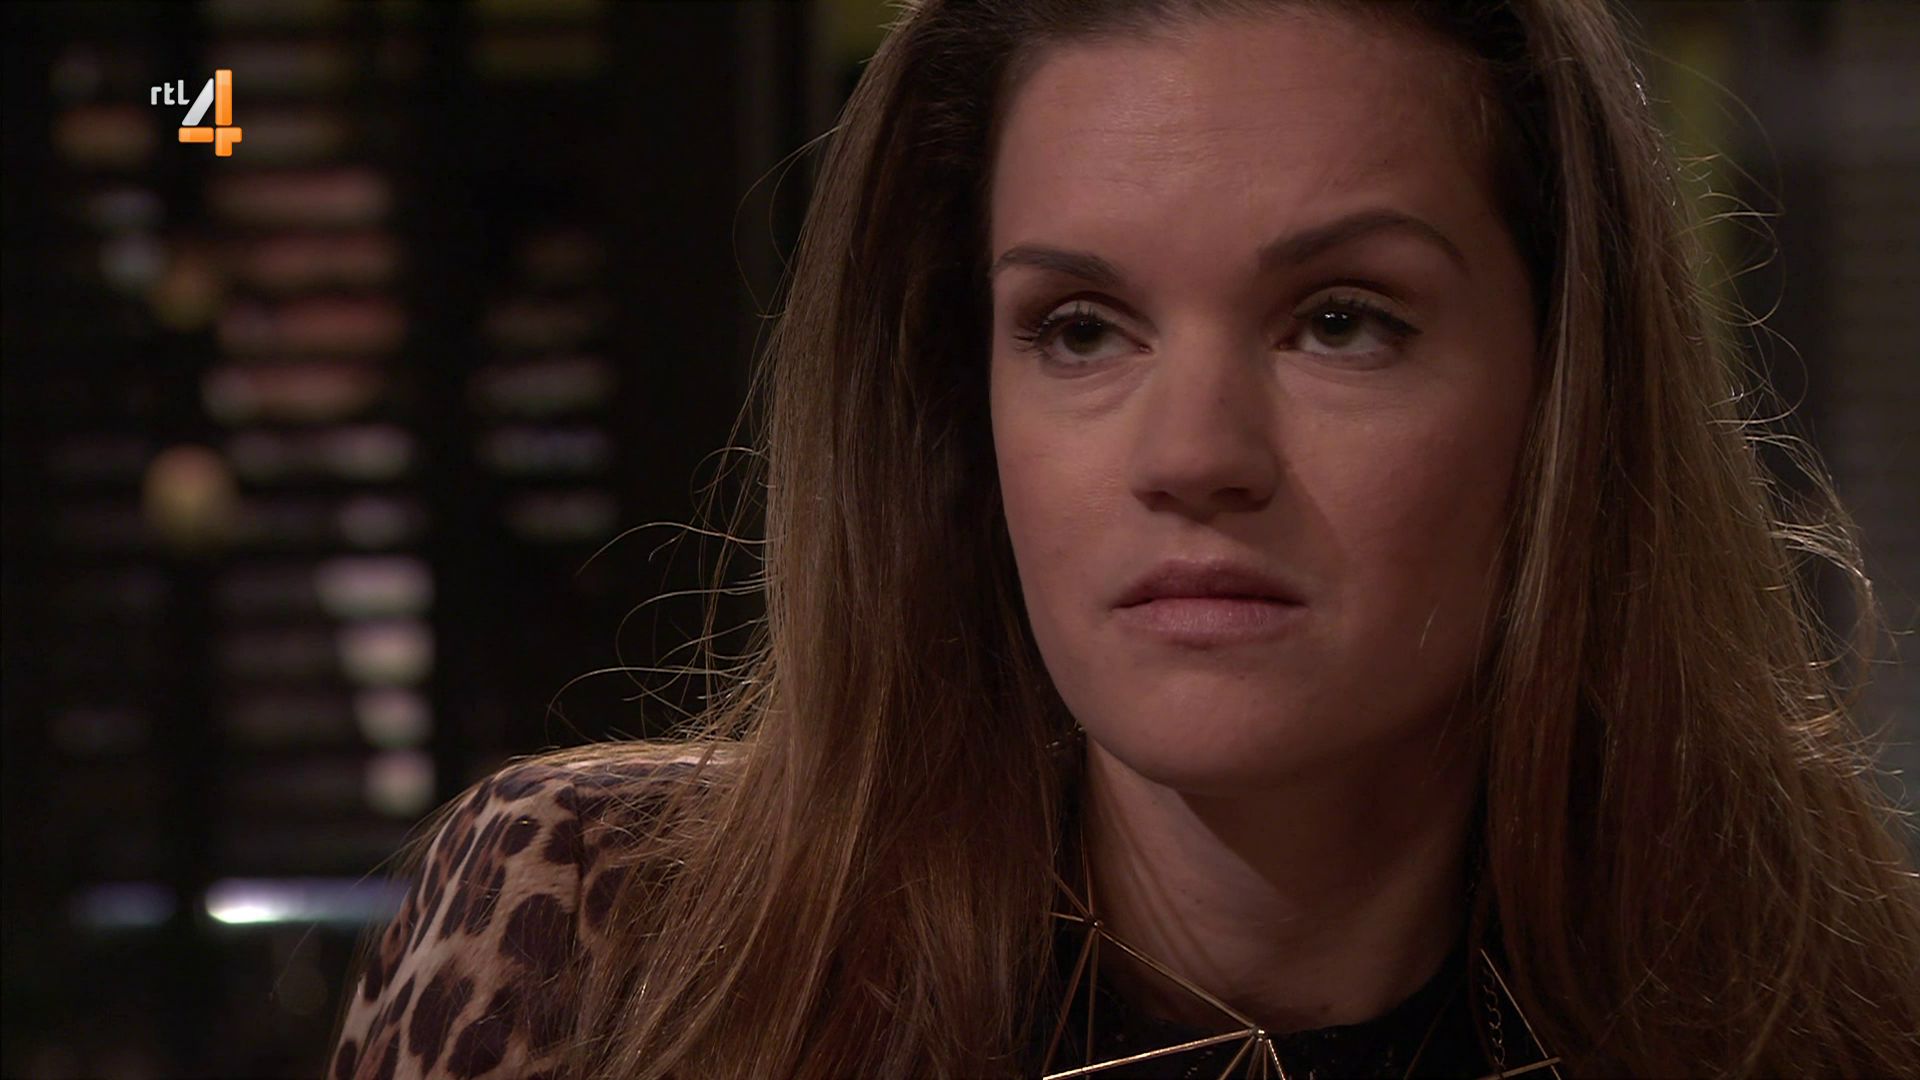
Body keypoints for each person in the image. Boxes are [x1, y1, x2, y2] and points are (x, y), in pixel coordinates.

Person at [326, 1, 1920, 1077]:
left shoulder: (1836, 1019)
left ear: (1562, 389)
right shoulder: (600, 950)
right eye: (1081, 328)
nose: (1194, 458)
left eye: (1340, 320)